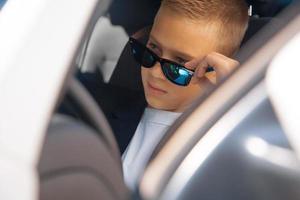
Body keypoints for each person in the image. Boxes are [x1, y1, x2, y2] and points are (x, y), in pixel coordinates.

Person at [79, 0, 249, 190]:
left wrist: (238, 94)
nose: (155, 73)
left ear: (215, 71)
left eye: (179, 64)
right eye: (152, 50)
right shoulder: (100, 107)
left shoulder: (218, 148)